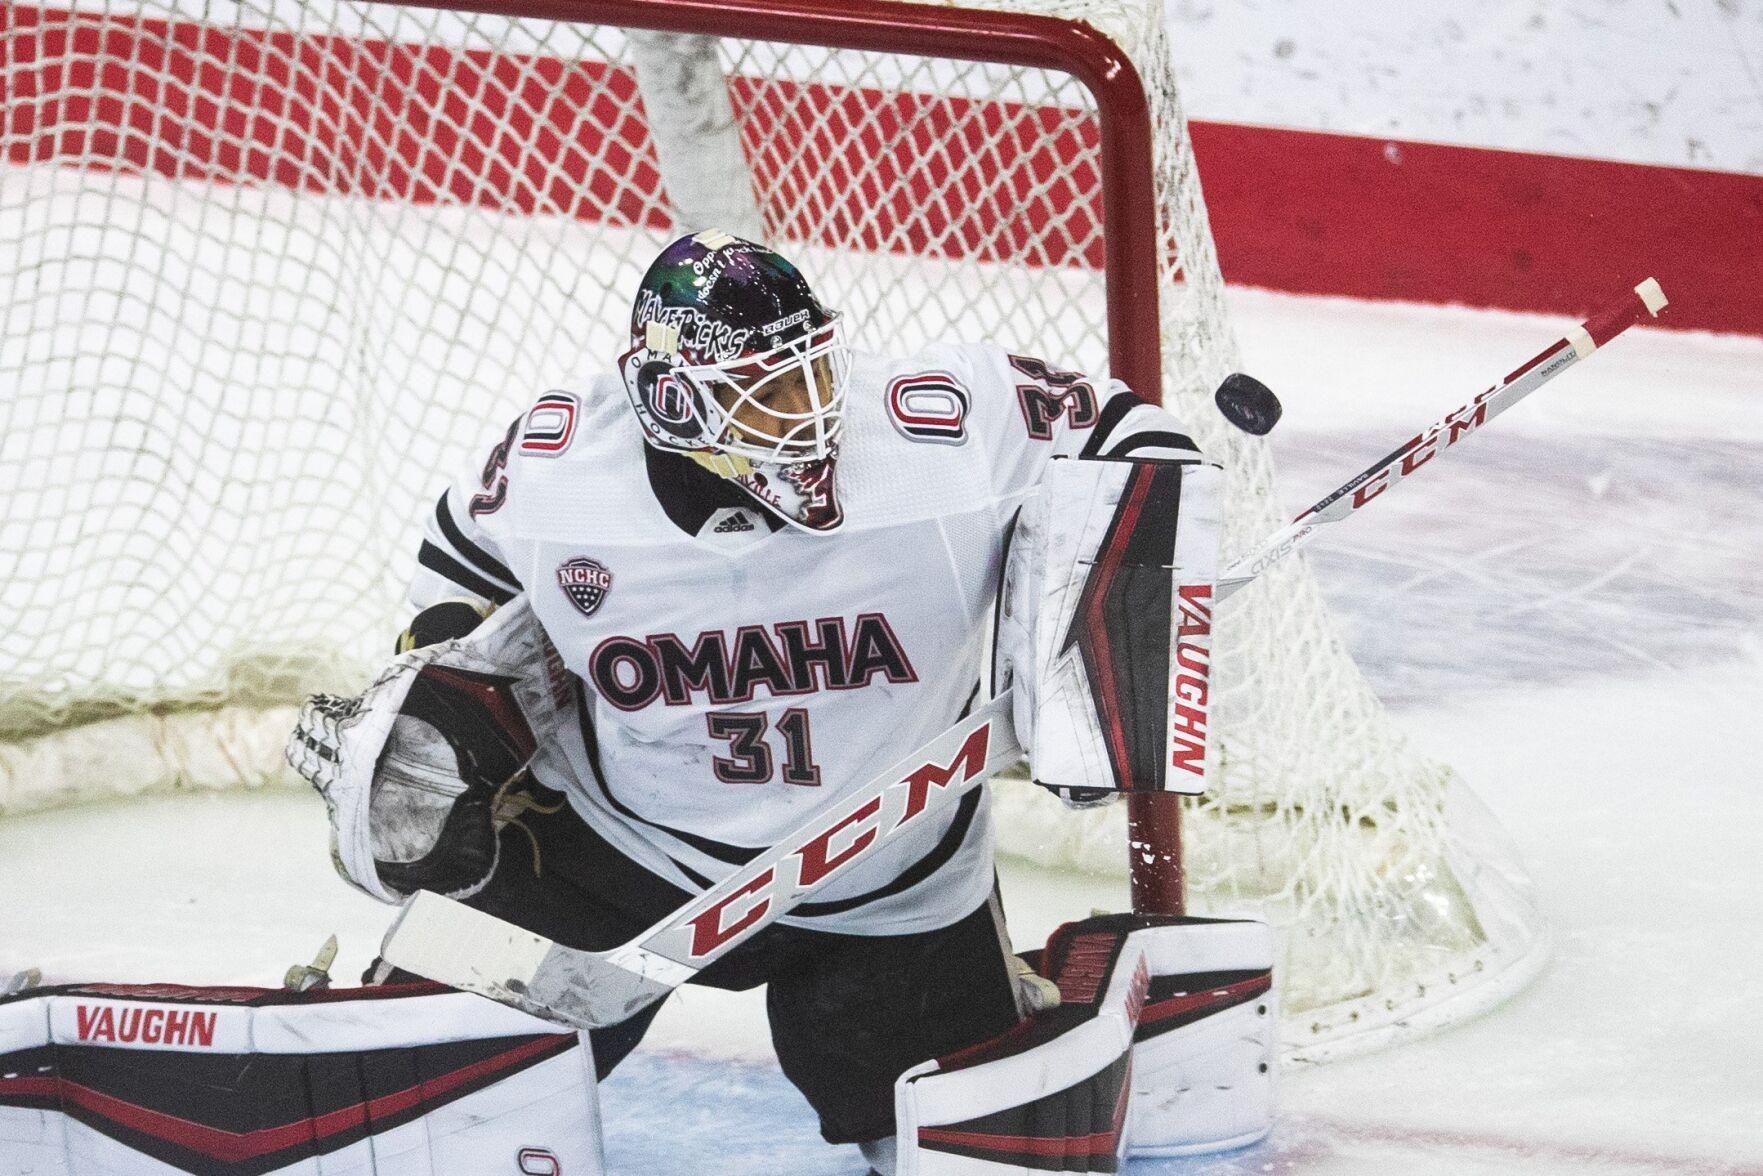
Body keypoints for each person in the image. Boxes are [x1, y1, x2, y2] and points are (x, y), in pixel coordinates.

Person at [296, 229, 1205, 1173]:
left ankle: (989, 999)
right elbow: (460, 566)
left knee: (970, 1166)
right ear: (671, 399)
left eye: (811, 375)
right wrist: (433, 718)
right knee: (412, 1127)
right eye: (766, 394)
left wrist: (1107, 656)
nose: (810, 417)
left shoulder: (941, 425)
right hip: (616, 852)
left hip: (889, 881)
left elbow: (1137, 443)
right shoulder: (562, 464)